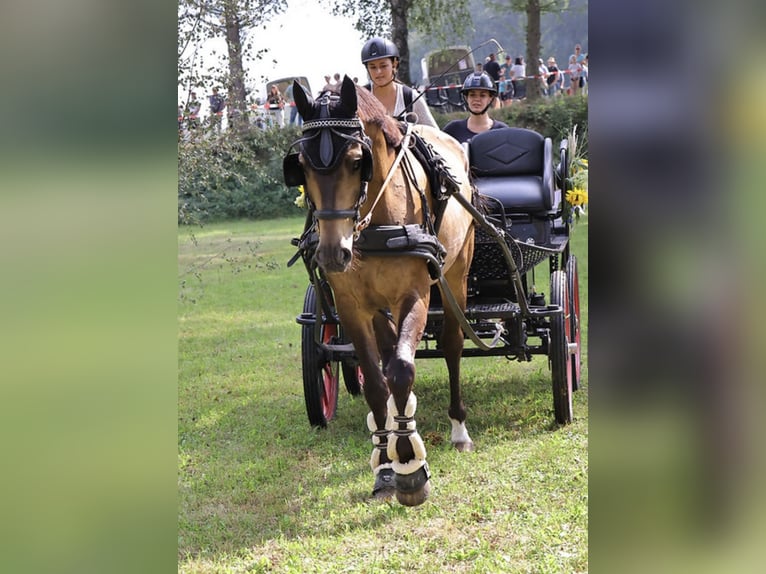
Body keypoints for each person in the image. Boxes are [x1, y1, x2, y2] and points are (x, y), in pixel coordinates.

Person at [360, 37, 437, 128]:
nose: (378, 72)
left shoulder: (411, 97)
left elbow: (436, 136)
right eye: (373, 67)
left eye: (383, 66)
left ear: (394, 65)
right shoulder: (360, 99)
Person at [442, 72, 509, 144]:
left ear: (490, 98)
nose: (477, 99)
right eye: (472, 95)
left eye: (482, 95)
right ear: (466, 98)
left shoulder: (502, 131)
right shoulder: (453, 129)